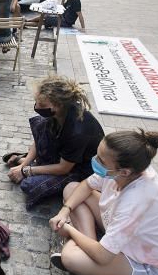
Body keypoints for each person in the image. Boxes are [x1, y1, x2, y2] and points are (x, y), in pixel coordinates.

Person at [49, 130, 158, 275]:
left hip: (145, 263)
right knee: (71, 189)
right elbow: (87, 185)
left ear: (124, 172)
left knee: (71, 259)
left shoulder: (135, 201)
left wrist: (69, 230)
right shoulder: (129, 170)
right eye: (97, 155)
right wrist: (65, 210)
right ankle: (89, 242)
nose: (95, 161)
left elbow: (103, 257)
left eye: (101, 160)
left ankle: (85, 243)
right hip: (123, 229)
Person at [6, 75, 104, 209]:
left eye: (41, 104)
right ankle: (31, 161)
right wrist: (26, 163)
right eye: (36, 101)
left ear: (57, 105)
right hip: (63, 157)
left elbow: (64, 168)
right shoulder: (57, 114)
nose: (36, 106)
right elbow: (38, 138)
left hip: (79, 169)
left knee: (29, 185)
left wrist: (26, 171)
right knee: (39, 123)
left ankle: (36, 164)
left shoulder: (77, 130)